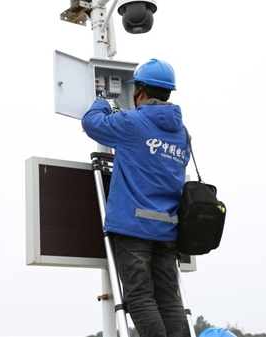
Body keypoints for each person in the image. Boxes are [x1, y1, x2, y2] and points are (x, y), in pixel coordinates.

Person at [81, 58, 191, 337]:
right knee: (170, 299)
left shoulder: (132, 122)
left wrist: (103, 101)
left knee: (140, 297)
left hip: (134, 228)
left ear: (140, 90)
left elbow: (92, 124)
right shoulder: (182, 133)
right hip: (168, 230)